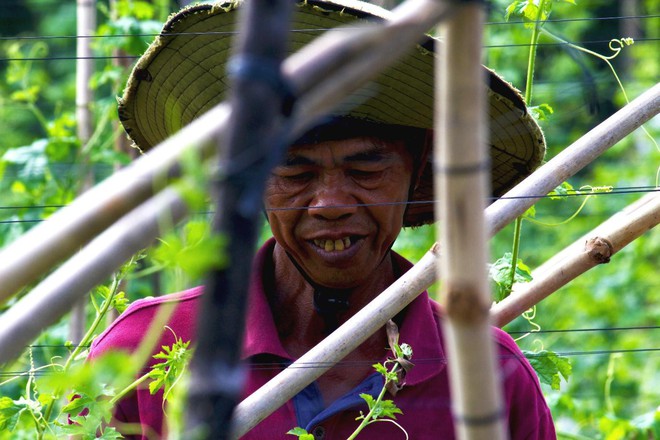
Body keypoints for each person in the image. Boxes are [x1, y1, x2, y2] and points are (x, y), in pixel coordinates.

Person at [88, 0, 555, 438]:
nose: (330, 203)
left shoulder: (490, 376)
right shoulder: (142, 352)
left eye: (366, 169)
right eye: (294, 169)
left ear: (419, 168)